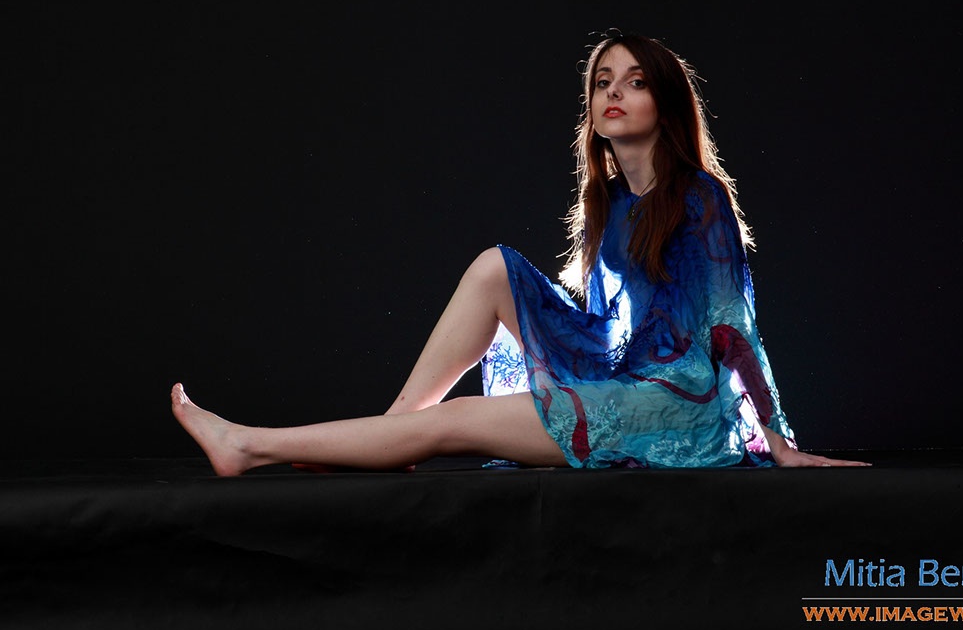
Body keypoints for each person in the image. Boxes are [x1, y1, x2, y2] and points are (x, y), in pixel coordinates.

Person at [172, 31, 869, 475]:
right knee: (492, 266)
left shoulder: (699, 197)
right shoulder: (610, 203)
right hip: (622, 375)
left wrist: (778, 441)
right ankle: (388, 436)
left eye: (634, 81)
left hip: (673, 408)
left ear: (666, 102)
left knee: (453, 424)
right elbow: (608, 330)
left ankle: (250, 445)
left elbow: (731, 327)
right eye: (603, 81)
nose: (614, 92)